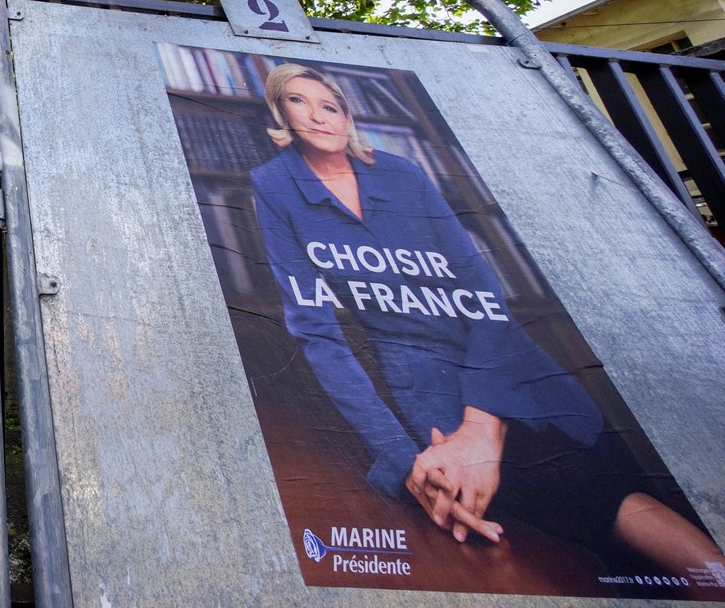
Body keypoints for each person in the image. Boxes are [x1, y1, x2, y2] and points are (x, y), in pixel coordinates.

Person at [248, 62, 723, 579]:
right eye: (298, 101)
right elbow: (318, 334)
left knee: (612, 486)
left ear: (347, 115)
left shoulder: (402, 172)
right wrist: (406, 463)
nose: (317, 116)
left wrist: (481, 425)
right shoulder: (273, 184)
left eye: (329, 105)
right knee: (563, 516)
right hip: (424, 390)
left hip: (503, 358)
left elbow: (482, 292)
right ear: (280, 112)